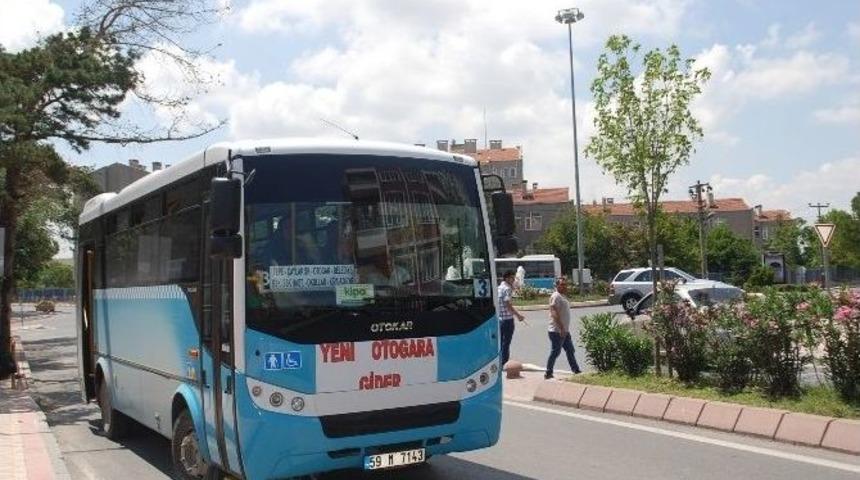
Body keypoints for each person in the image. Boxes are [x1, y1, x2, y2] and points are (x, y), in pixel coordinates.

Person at [545, 277, 582, 379]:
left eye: (565, 284)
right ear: (556, 286)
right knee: (555, 352)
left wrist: (564, 329)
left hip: (564, 331)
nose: (564, 286)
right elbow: (554, 313)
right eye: (561, 284)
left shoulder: (562, 296)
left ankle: (576, 370)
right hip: (557, 331)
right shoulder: (556, 296)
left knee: (570, 350)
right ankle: (548, 372)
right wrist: (561, 328)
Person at [498, 270, 525, 367]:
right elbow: (507, 304)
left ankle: (499, 361)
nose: (513, 280)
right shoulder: (507, 289)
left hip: (500, 319)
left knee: (500, 342)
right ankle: (504, 363)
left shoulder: (500, 287)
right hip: (507, 320)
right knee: (506, 342)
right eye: (512, 278)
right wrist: (518, 315)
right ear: (507, 278)